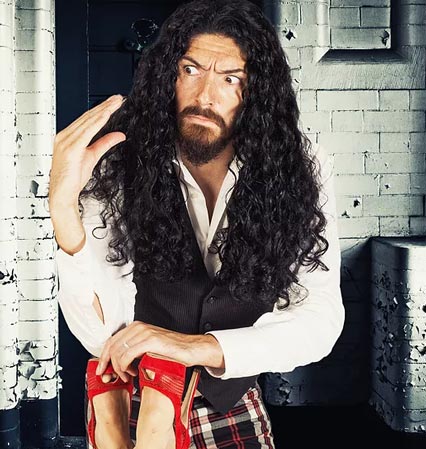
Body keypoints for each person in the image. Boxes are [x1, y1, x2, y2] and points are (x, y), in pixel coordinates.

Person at [49, 0, 345, 448]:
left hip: (230, 400)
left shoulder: (299, 169)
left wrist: (195, 347)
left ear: (256, 92)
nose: (206, 96)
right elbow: (100, 336)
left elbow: (319, 319)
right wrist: (62, 210)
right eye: (191, 70)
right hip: (138, 396)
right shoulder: (117, 163)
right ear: (168, 75)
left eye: (230, 79)